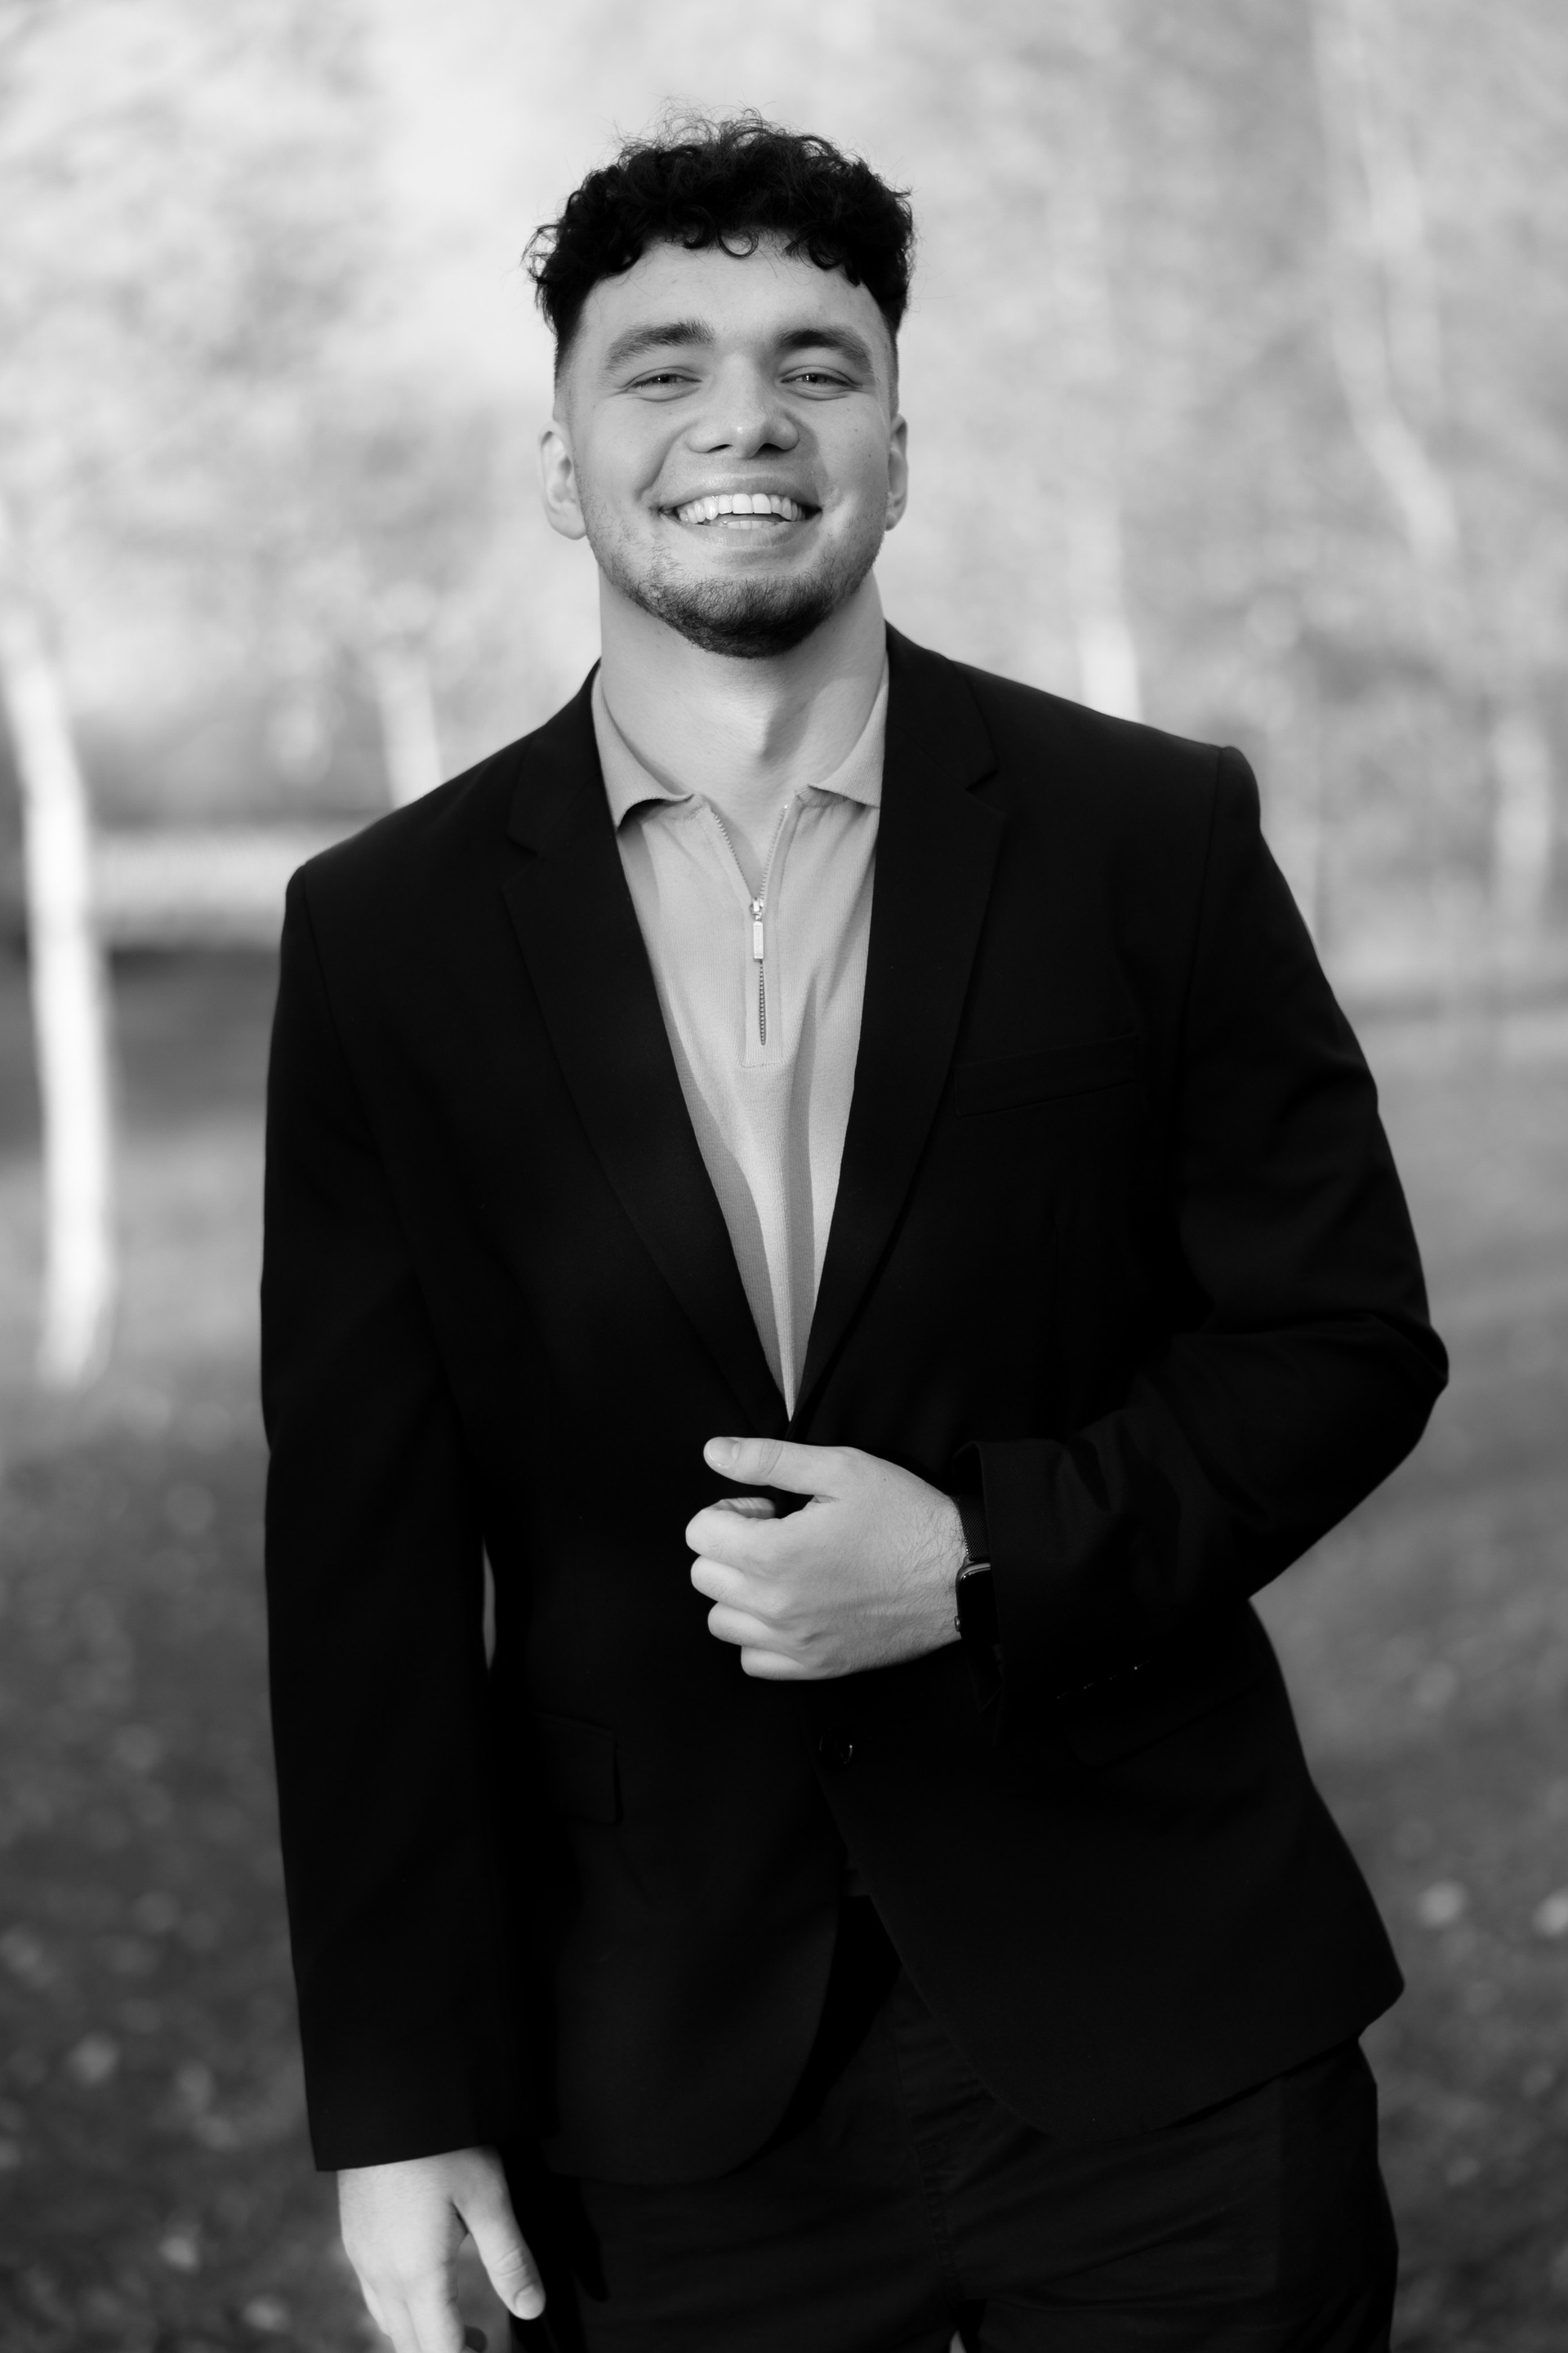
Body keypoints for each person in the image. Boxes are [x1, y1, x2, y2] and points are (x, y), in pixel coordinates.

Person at [262, 115, 1446, 2353]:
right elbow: (364, 1568)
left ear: (901, 446)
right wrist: (401, 2100)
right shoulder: (383, 938)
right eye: (664, 367)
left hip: (1166, 2027)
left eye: (819, 364)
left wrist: (985, 1553)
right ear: (561, 463)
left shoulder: (1151, 835)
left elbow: (1340, 1342)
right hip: (662, 2087)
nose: (747, 419)